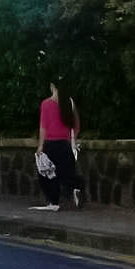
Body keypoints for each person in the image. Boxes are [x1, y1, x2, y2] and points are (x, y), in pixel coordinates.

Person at [33, 81, 82, 211]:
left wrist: (40, 146)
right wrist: (73, 140)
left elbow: (43, 127)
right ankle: (76, 188)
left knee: (47, 174)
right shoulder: (69, 102)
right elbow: (76, 125)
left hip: (50, 144)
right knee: (67, 173)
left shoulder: (46, 104)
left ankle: (53, 201)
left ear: (52, 87)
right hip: (65, 145)